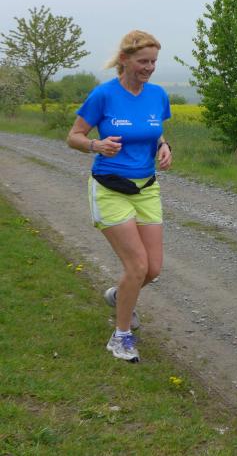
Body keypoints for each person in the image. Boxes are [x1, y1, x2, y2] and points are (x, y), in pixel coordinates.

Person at [67, 30, 172, 362]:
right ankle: (121, 337)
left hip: (146, 188)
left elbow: (154, 131)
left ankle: (119, 294)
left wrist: (164, 146)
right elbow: (74, 136)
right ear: (124, 60)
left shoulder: (157, 95)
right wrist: (96, 144)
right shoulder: (104, 95)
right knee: (137, 265)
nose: (149, 68)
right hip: (110, 188)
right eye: (143, 61)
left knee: (152, 269)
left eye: (153, 62)